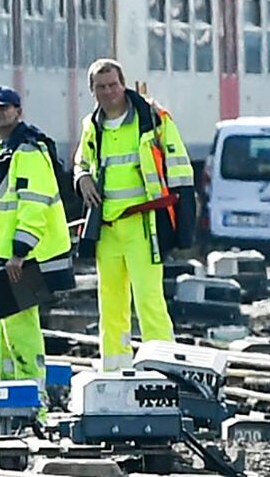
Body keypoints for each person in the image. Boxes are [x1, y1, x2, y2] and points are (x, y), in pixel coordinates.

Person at [74, 59, 196, 371]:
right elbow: (82, 162)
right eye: (101, 87)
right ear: (92, 91)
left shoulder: (153, 119)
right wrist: (81, 178)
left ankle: (164, 369)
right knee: (111, 306)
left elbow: (180, 169)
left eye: (113, 85)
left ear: (123, 84)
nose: (108, 92)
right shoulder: (92, 126)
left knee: (149, 302)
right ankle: (114, 370)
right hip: (109, 230)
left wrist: (183, 224)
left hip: (144, 227)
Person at [0, 86, 72, 403]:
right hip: (0, 260)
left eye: (3, 108)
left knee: (22, 335)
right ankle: (10, 405)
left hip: (18, 261)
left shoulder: (27, 151)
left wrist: (19, 252)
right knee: (4, 336)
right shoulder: (6, 151)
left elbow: (34, 205)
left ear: (18, 111)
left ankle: (33, 407)